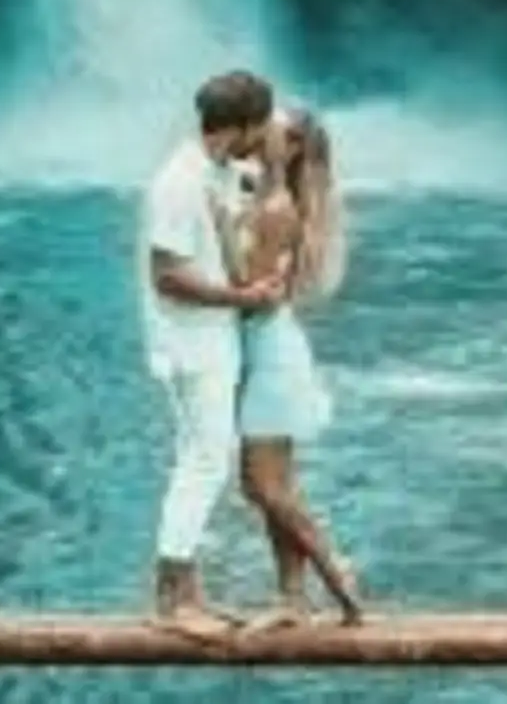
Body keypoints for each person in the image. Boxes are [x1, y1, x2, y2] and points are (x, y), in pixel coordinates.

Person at [141, 69, 286, 635]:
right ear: (240, 125)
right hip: (190, 343)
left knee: (202, 457)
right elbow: (167, 275)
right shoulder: (178, 182)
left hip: (210, 338)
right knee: (203, 462)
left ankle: (189, 593)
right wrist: (241, 296)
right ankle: (169, 600)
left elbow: (264, 186)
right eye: (261, 124)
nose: (267, 133)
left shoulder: (217, 170)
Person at [216, 106, 362, 627]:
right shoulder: (274, 198)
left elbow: (249, 293)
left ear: (293, 145)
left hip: (266, 353)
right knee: (274, 484)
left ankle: (341, 580)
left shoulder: (276, 207)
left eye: (269, 129)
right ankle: (292, 599)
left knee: (264, 486)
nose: (256, 133)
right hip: (269, 348)